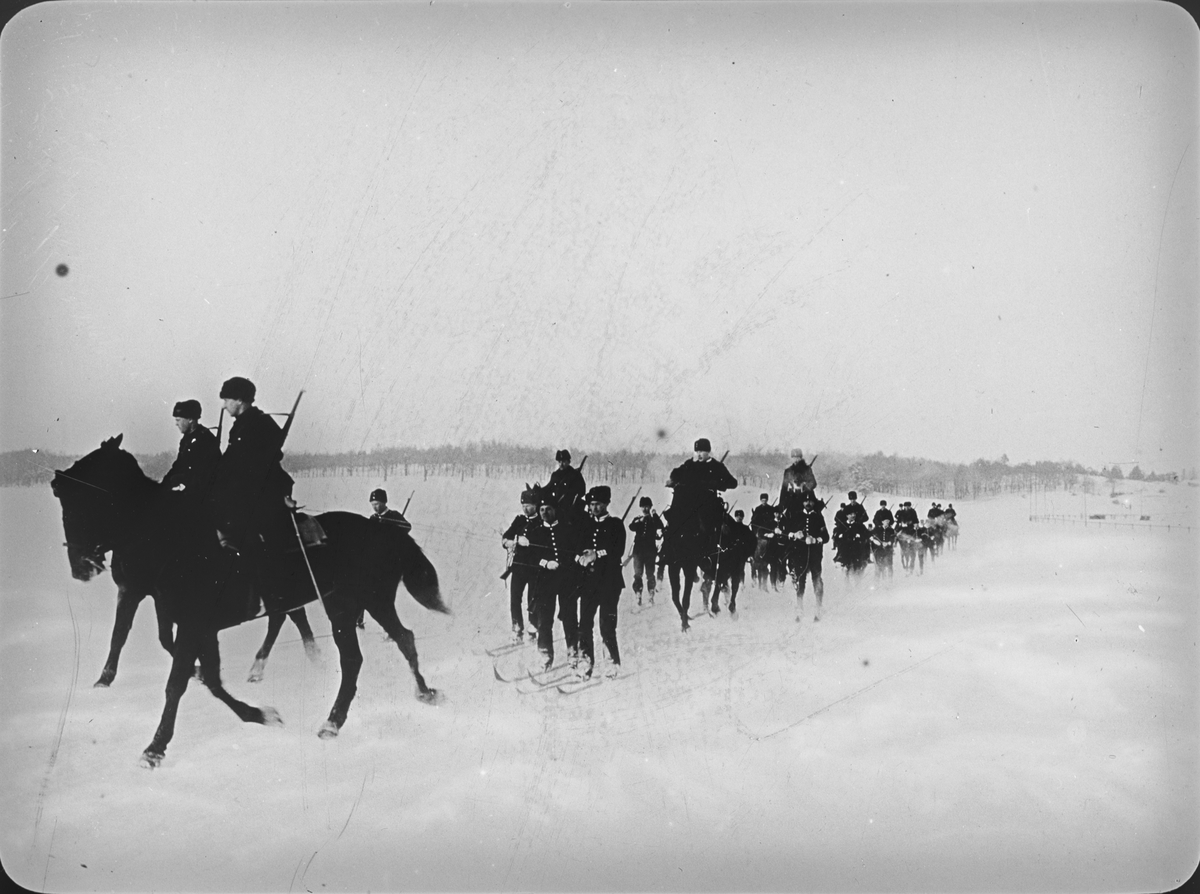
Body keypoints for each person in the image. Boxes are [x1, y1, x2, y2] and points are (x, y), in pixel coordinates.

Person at [208, 376, 296, 616]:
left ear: (239, 400)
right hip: (245, 492)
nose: (224, 405)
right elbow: (230, 462)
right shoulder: (242, 424)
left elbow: (264, 462)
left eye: (227, 400)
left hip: (264, 494)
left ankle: (268, 592)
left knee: (250, 537)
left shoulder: (260, 423)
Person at [575, 486, 626, 679]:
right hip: (589, 583)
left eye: (598, 504)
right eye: (591, 504)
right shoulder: (585, 525)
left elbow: (618, 550)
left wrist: (597, 554)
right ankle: (585, 662)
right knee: (584, 625)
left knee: (607, 625)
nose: (594, 508)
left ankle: (612, 663)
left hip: (609, 583)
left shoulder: (616, 524)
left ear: (607, 504)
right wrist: (580, 557)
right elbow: (578, 546)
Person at [526, 495, 582, 671]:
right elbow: (531, 556)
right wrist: (545, 563)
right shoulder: (535, 532)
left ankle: (573, 653)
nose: (544, 512)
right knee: (544, 621)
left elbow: (575, 550)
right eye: (541, 510)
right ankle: (545, 655)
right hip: (545, 582)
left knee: (570, 618)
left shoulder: (568, 529)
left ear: (555, 510)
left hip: (566, 581)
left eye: (548, 509)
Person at [778, 490, 829, 621]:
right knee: (800, 581)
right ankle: (799, 609)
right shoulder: (796, 516)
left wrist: (815, 539)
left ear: (814, 503)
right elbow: (787, 532)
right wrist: (794, 534)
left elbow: (826, 537)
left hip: (815, 554)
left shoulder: (818, 517)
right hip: (800, 554)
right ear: (802, 503)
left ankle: (818, 608)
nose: (808, 503)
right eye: (806, 501)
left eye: (810, 501)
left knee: (817, 580)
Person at [500, 486, 542, 642]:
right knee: (515, 599)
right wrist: (511, 542)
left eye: (528, 506)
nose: (525, 509)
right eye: (523, 505)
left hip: (535, 568)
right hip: (518, 567)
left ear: (535, 505)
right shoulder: (519, 520)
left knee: (533, 599)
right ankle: (517, 628)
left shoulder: (541, 522)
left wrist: (529, 542)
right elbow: (506, 537)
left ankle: (533, 628)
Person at [161, 399, 220, 505]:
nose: (176, 424)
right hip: (188, 491)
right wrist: (163, 485)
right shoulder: (186, 440)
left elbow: (207, 473)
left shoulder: (206, 440)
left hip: (200, 497)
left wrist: (185, 486)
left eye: (178, 420)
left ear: (190, 420)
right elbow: (178, 465)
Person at [627, 496, 664, 605]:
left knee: (650, 574)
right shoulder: (638, 519)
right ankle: (638, 594)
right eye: (643, 507)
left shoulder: (653, 519)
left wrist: (655, 515)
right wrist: (640, 521)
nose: (645, 509)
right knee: (638, 574)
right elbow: (631, 527)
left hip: (650, 551)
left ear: (650, 507)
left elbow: (660, 526)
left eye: (647, 506)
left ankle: (651, 595)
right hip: (638, 551)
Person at [545, 449, 586, 523]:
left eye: (563, 461)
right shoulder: (555, 475)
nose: (561, 464)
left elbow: (582, 491)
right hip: (557, 507)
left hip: (572, 507)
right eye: (559, 462)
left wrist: (571, 493)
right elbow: (549, 488)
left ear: (568, 462)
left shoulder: (575, 474)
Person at [777, 448, 817, 515]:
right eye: (794, 458)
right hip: (792, 499)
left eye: (798, 457)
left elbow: (813, 483)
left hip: (805, 499)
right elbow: (784, 489)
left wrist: (804, 485)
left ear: (801, 458)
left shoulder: (807, 470)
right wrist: (781, 505)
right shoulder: (788, 471)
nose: (796, 460)